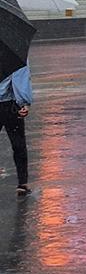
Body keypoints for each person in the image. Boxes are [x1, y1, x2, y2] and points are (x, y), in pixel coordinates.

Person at [0, 63, 33, 196]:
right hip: (10, 105)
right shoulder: (16, 56)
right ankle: (22, 183)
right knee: (18, 143)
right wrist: (24, 102)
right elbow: (21, 77)